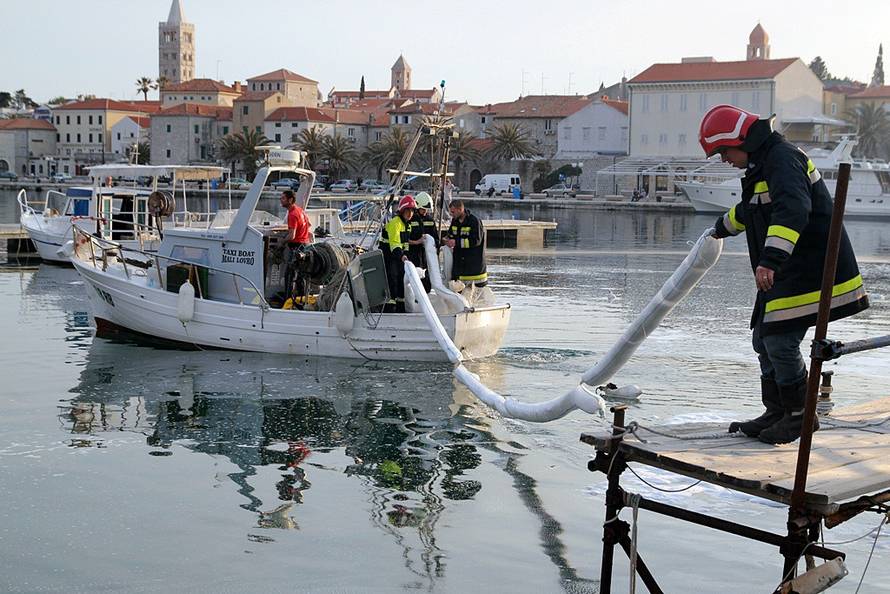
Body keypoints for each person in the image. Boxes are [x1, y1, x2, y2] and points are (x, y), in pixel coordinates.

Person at [701, 104, 869, 444]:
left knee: (779, 339)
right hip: (790, 270)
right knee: (763, 338)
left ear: (741, 140)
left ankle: (798, 416)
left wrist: (770, 259)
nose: (723, 160)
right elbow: (752, 210)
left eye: (723, 152)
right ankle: (777, 410)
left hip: (811, 270)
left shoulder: (782, 159)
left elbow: (792, 209)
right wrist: (720, 228)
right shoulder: (764, 164)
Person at [382, 195, 416, 312]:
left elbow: (405, 244)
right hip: (389, 257)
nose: (410, 213)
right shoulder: (395, 223)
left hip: (399, 257)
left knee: (402, 280)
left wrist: (406, 255)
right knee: (392, 279)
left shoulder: (407, 225)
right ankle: (389, 308)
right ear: (402, 211)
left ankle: (401, 307)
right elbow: (394, 244)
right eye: (407, 211)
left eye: (412, 211)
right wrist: (402, 256)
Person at [446, 199, 487, 288]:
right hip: (459, 269)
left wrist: (456, 242)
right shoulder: (455, 221)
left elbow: (476, 241)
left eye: (453, 212)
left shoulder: (474, 221)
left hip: (474, 271)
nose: (451, 214)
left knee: (475, 299)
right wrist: (446, 239)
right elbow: (451, 234)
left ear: (460, 209)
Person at [280, 189, 312, 301]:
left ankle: (287, 299)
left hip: (296, 247)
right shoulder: (300, 210)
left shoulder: (292, 214)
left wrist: (282, 242)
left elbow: (292, 236)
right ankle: (301, 298)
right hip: (305, 245)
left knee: (290, 274)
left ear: (290, 200)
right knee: (301, 275)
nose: (281, 200)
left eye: (283, 198)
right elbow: (309, 225)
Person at [407, 192, 439, 293]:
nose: (425, 212)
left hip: (426, 259)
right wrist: (417, 242)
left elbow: (436, 239)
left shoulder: (430, 220)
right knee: (413, 282)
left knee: (426, 283)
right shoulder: (409, 220)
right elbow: (404, 239)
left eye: (427, 210)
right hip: (412, 256)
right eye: (423, 209)